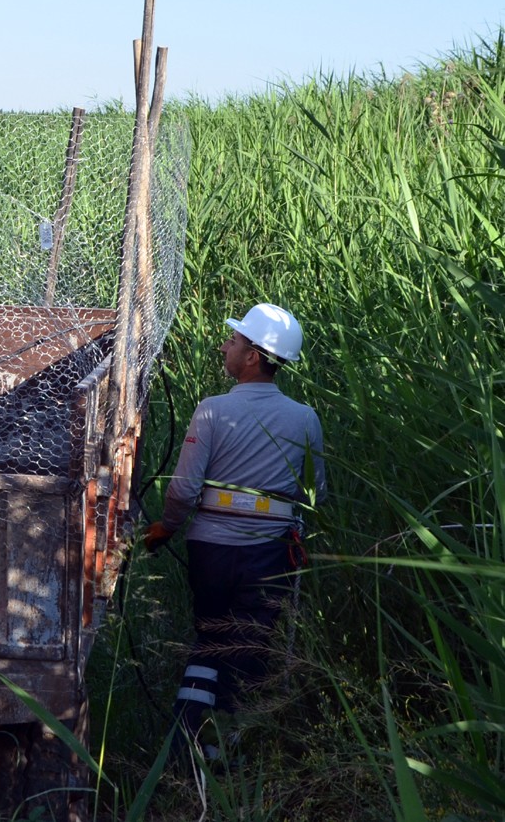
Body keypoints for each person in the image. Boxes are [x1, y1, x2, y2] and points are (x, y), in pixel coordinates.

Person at [144, 303, 325, 757]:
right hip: (270, 552)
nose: (225, 345)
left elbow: (184, 490)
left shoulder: (212, 410)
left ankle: (185, 744)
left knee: (210, 639)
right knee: (250, 644)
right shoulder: (305, 419)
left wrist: (165, 528)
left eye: (235, 340)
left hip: (210, 548)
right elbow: (315, 492)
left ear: (253, 357)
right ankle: (227, 751)